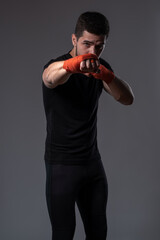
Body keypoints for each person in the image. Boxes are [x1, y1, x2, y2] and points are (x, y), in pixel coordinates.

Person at [42, 11, 134, 240]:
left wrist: (106, 75)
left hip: (92, 164)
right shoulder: (58, 66)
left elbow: (127, 98)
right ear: (74, 40)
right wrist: (73, 65)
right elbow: (49, 78)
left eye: (100, 46)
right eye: (87, 44)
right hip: (61, 166)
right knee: (63, 234)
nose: (93, 52)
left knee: (98, 233)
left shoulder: (99, 68)